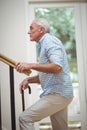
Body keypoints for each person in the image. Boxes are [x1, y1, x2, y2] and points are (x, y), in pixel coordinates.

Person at [16, 18, 73, 130]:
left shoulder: (49, 41)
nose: (28, 32)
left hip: (58, 93)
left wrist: (31, 65)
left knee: (25, 118)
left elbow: (57, 67)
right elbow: (49, 73)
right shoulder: (43, 44)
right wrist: (29, 80)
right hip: (62, 94)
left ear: (41, 29)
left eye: (31, 28)